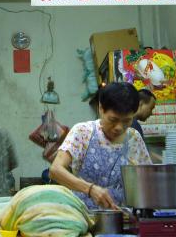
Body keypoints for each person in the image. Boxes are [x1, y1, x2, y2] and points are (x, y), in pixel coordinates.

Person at [50, 82, 152, 210]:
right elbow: (55, 170)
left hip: (121, 218)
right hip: (83, 215)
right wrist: (90, 189)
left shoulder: (134, 138)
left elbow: (147, 180)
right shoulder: (83, 132)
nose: (119, 127)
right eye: (113, 120)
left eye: (126, 121)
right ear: (101, 109)